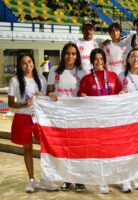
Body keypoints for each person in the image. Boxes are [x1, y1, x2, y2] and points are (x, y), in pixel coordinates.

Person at [8, 53, 57, 193]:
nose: (28, 65)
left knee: (45, 148)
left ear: (33, 62)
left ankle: (46, 179)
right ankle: (31, 180)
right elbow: (11, 103)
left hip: (39, 118)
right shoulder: (15, 80)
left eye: (30, 61)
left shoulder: (40, 79)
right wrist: (24, 104)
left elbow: (46, 99)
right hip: (23, 118)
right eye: (24, 63)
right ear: (19, 65)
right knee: (27, 149)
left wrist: (44, 97)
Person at [77, 48, 122, 194]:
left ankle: (120, 178)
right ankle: (103, 180)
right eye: (96, 59)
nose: (99, 62)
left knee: (114, 150)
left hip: (112, 120)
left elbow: (120, 92)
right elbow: (80, 95)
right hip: (95, 122)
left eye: (101, 59)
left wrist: (122, 94)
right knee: (100, 151)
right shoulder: (86, 79)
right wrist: (82, 96)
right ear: (91, 62)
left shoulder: (113, 76)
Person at [47, 42, 88, 192]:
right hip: (60, 115)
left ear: (77, 56)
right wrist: (51, 94)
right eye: (67, 53)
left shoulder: (82, 72)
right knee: (64, 148)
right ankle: (66, 179)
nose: (70, 56)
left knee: (78, 148)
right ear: (63, 55)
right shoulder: (54, 71)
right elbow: (49, 92)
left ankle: (79, 180)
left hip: (77, 115)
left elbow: (86, 92)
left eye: (73, 53)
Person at [118, 48, 138, 193]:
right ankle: (123, 178)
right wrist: (119, 94)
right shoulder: (121, 76)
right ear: (128, 59)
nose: (136, 59)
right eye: (133, 56)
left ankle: (136, 176)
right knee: (125, 148)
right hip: (125, 117)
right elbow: (114, 94)